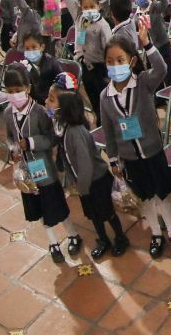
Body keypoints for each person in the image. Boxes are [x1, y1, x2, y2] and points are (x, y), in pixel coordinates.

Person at [99, 23, 171, 259]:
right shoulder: (105, 97)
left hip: (152, 152)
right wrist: (114, 159)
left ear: (132, 61)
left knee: (161, 195)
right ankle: (156, 233)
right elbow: (108, 130)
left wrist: (146, 43)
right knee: (145, 198)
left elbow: (162, 68)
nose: (115, 66)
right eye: (110, 61)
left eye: (120, 60)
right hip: (129, 158)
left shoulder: (144, 82)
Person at [2, 69, 82, 263]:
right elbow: (10, 137)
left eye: (18, 89)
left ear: (28, 88)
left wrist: (31, 143)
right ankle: (52, 242)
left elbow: (52, 137)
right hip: (26, 173)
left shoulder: (40, 111)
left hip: (44, 170)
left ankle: (72, 234)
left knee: (55, 205)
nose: (15, 95)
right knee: (38, 208)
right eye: (10, 91)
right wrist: (13, 149)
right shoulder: (7, 113)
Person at [54, 87, 129, 259]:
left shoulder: (76, 132)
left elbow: (85, 163)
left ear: (65, 109)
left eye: (54, 101)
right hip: (85, 183)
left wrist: (82, 187)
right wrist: (73, 179)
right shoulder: (64, 129)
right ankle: (103, 239)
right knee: (94, 214)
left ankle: (120, 237)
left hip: (95, 181)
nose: (50, 105)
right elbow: (67, 158)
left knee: (107, 212)